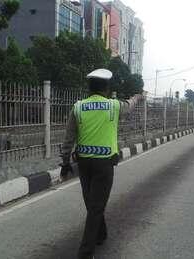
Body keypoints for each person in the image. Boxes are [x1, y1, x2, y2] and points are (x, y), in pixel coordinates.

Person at [60, 68, 142, 259]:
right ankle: (85, 252)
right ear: (106, 88)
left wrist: (65, 161)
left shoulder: (78, 107)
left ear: (89, 87)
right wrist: (137, 97)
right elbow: (130, 105)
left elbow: (68, 137)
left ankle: (101, 234)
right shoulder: (114, 106)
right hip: (104, 165)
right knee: (95, 205)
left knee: (92, 202)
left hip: (84, 163)